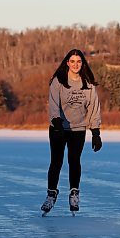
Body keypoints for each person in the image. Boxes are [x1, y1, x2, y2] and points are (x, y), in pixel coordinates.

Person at [41, 48, 102, 216]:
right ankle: (51, 194)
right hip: (58, 129)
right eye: (73, 61)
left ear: (82, 63)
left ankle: (74, 193)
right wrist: (56, 122)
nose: (76, 64)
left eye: (79, 61)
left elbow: (93, 108)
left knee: (74, 161)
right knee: (56, 162)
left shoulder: (88, 83)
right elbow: (53, 104)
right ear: (67, 63)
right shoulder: (58, 81)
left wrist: (95, 132)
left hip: (78, 129)